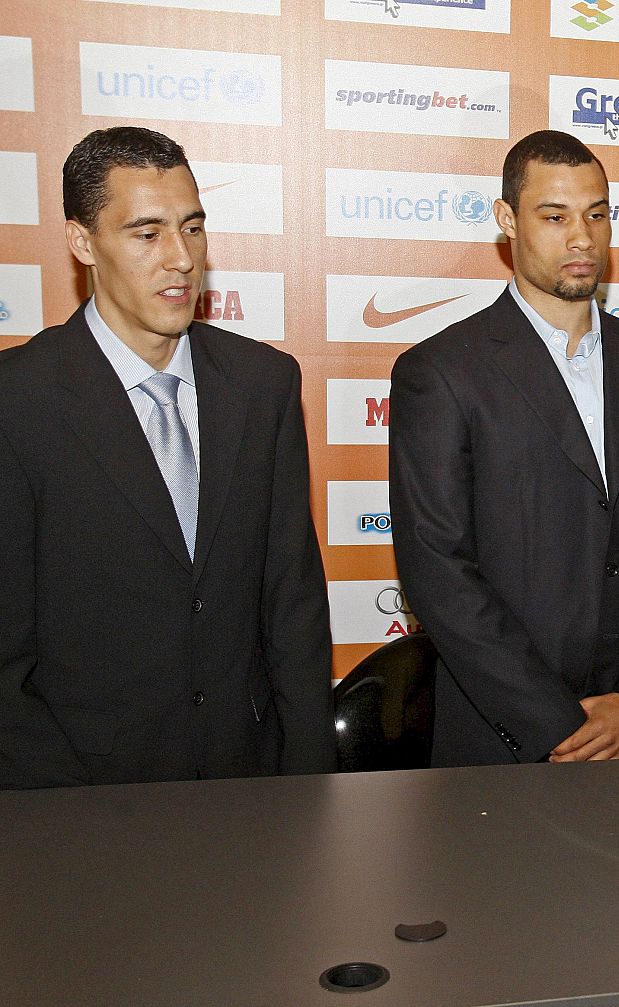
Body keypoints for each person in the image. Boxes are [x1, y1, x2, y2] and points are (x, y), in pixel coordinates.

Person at [0, 127, 333, 788]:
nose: (181, 257)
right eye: (147, 233)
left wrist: (310, 783)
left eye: (193, 227)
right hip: (81, 806)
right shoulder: (19, 400)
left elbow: (292, 603)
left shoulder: (264, 383)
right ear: (81, 242)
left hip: (251, 790)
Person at [390, 130, 619, 766]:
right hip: (500, 739)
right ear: (507, 220)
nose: (582, 238)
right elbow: (438, 569)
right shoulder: (443, 371)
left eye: (597, 214)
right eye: (555, 216)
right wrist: (557, 724)